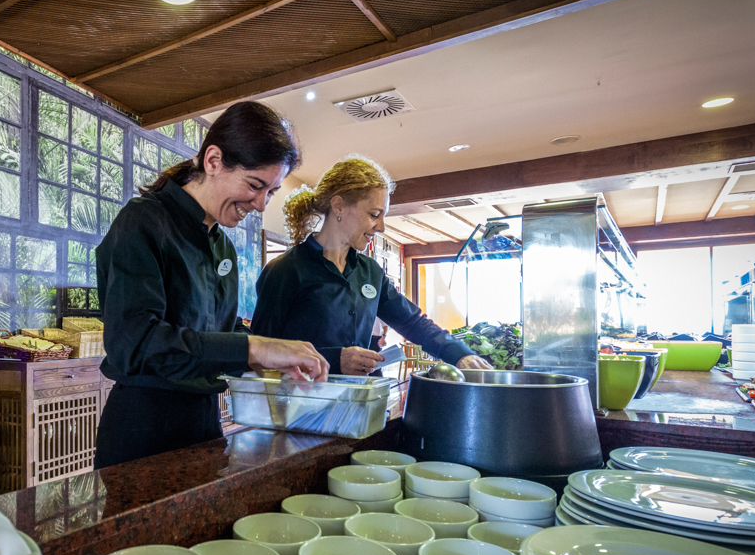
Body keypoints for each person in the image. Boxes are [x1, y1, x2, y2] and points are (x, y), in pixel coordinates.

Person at [94, 101, 329, 469]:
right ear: (214, 161)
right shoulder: (142, 222)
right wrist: (254, 348)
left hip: (204, 420)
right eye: (255, 185)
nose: (261, 203)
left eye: (271, 191)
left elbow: (219, 330)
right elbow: (134, 343)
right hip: (144, 425)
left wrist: (269, 364)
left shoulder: (221, 244)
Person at [252, 156, 493, 376]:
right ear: (338, 206)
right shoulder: (284, 270)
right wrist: (334, 360)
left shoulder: (370, 271)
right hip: (299, 412)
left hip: (359, 406)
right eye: (374, 214)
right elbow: (259, 354)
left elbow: (411, 321)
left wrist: (461, 354)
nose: (381, 227)